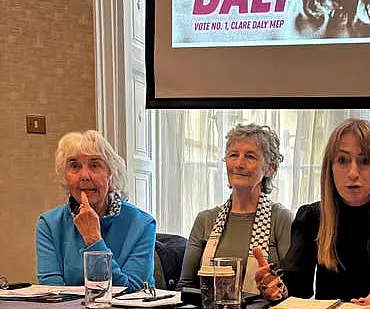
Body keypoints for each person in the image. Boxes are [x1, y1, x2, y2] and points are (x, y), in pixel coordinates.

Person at [255, 118, 370, 306]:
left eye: (365, 161)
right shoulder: (311, 217)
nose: (353, 172)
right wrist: (274, 287)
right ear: (330, 168)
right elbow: (297, 289)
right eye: (342, 160)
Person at [178, 124, 292, 296]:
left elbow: (293, 290)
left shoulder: (281, 218)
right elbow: (185, 286)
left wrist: (273, 287)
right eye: (233, 155)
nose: (239, 164)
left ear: (271, 168)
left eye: (250, 157)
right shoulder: (205, 219)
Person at [36, 130, 156, 290]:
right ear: (65, 177)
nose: (84, 175)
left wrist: (93, 239)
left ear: (110, 174)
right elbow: (52, 293)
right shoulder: (49, 224)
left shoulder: (143, 224)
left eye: (95, 165)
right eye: (74, 166)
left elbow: (131, 292)